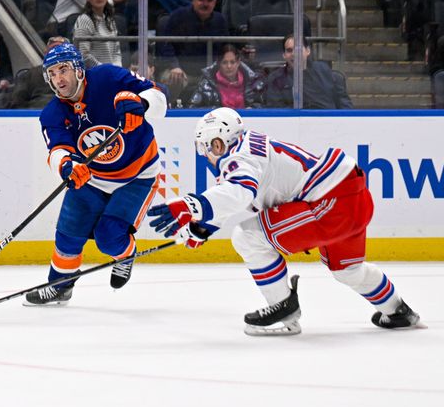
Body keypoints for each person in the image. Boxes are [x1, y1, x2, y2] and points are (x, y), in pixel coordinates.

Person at [147, 107, 422, 336]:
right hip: (352, 197)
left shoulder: (238, 158)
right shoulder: (247, 146)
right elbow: (238, 194)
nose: (205, 154)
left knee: (248, 236)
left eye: (205, 147)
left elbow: (240, 190)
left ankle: (283, 308)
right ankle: (397, 311)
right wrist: (201, 227)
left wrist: (191, 205)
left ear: (218, 142)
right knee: (348, 271)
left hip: (329, 205)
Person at [24, 43, 167, 305]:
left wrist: (141, 105)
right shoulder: (53, 113)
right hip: (92, 178)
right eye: (52, 73)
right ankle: (60, 286)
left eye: (63, 69)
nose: (59, 79)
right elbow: (57, 149)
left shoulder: (109, 78)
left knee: (109, 237)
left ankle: (126, 254)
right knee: (68, 234)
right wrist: (66, 165)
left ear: (79, 69)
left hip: (137, 175)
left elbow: (160, 96)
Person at [155, 0, 228, 103]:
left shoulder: (220, 20)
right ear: (193, 0)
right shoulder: (178, 16)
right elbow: (165, 45)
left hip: (210, 74)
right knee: (174, 78)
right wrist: (175, 66)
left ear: (214, 2)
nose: (205, 4)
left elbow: (225, 48)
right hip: (181, 72)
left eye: (209, 0)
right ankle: (168, 110)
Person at [265, 34, 353, 109]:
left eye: (298, 49)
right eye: (289, 50)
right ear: (284, 55)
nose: (294, 54)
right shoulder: (275, 79)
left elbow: (345, 107)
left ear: (308, 51)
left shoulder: (325, 72)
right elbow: (275, 111)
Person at [189, 44, 264, 108]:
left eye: (232, 62)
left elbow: (261, 105)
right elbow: (192, 107)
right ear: (218, 63)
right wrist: (213, 112)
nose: (229, 66)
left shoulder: (251, 81)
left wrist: (252, 110)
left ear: (238, 62)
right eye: (224, 62)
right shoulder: (207, 83)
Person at [9, 35, 69, 109]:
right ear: (46, 53)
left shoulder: (77, 75)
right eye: (52, 50)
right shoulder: (29, 76)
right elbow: (17, 105)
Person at [72, 0, 122, 68]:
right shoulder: (84, 19)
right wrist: (104, 69)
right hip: (94, 73)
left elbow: (116, 52)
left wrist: (117, 69)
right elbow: (83, 55)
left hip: (111, 73)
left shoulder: (110, 20)